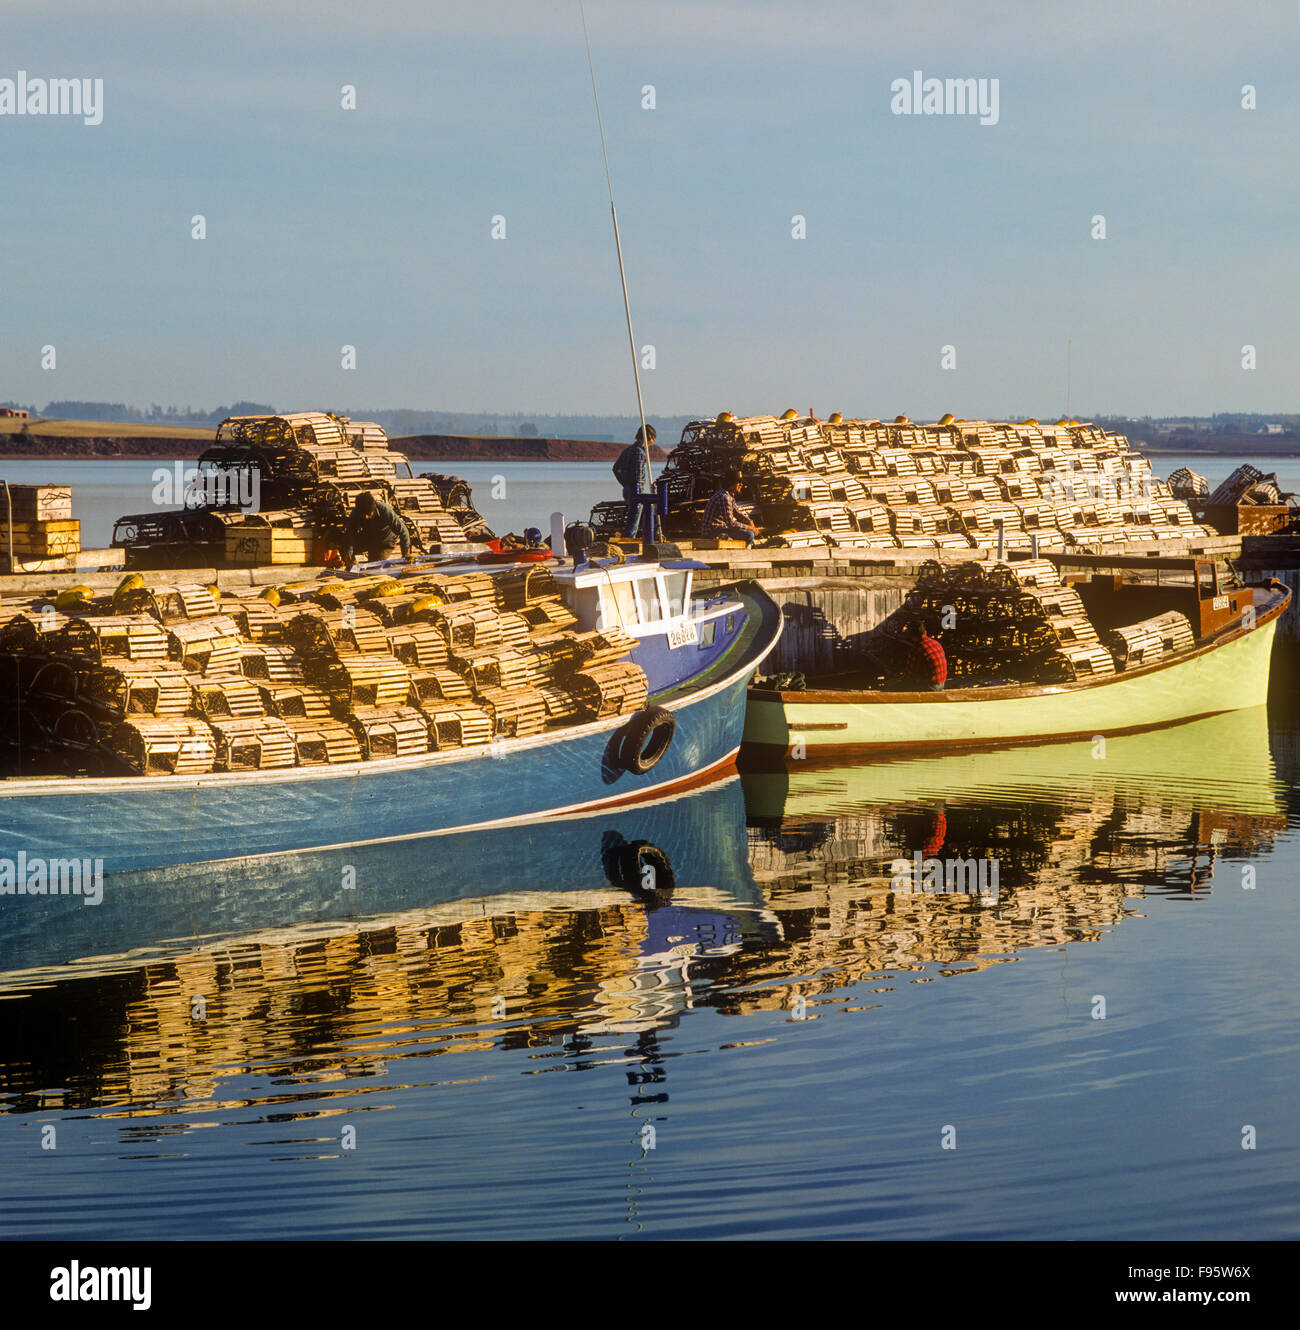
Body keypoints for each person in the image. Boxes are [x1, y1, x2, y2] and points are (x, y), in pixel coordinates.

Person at [341, 492, 412, 568]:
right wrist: (349, 557)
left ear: (373, 509)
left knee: (375, 565)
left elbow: (403, 531)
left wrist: (405, 553)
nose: (366, 517)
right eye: (363, 514)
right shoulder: (355, 513)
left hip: (385, 541)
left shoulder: (385, 510)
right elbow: (350, 536)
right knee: (343, 546)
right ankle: (352, 564)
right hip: (369, 538)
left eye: (368, 514)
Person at [613, 424, 655, 538]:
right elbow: (637, 475)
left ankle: (628, 537)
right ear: (648, 437)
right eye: (652, 439)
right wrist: (635, 485)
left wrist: (624, 482)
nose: (652, 442)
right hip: (635, 489)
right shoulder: (640, 452)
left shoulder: (628, 450)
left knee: (631, 517)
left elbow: (616, 468)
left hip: (627, 488)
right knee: (634, 520)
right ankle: (630, 540)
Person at [701, 472, 758, 546]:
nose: (741, 485)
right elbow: (731, 523)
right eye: (739, 482)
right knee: (749, 534)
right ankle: (739, 554)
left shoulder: (729, 496)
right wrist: (750, 528)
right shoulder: (724, 497)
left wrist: (750, 521)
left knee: (749, 532)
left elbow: (737, 513)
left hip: (719, 530)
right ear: (731, 483)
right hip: (711, 532)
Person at [899, 618, 947, 691]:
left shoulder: (917, 649)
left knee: (898, 686)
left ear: (912, 635)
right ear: (925, 632)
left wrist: (899, 681)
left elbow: (909, 675)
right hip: (942, 684)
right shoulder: (936, 643)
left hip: (931, 687)